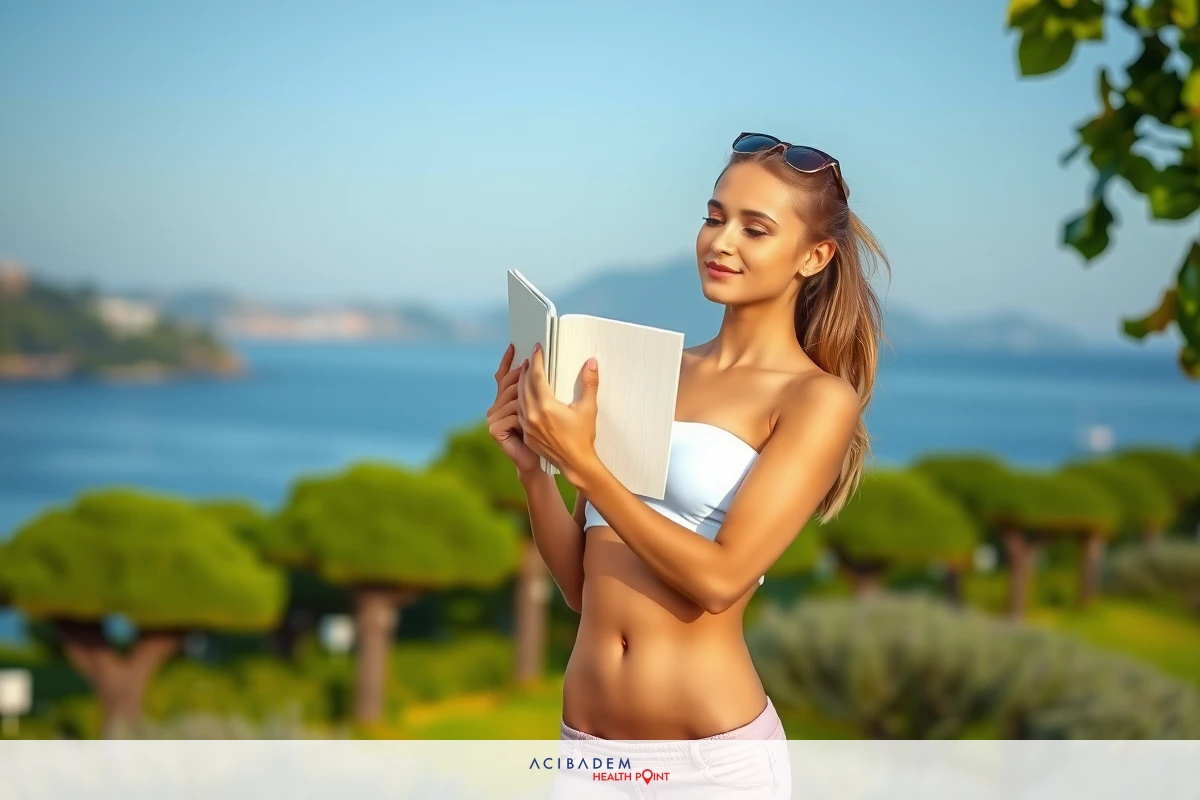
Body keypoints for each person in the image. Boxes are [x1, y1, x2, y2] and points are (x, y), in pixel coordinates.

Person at [487, 132, 888, 798]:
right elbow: (582, 590)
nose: (720, 241)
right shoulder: (640, 368)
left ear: (814, 257)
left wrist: (584, 467)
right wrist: (535, 470)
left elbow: (722, 579)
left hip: (708, 767)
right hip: (589, 756)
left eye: (755, 228)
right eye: (713, 216)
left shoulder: (815, 398)